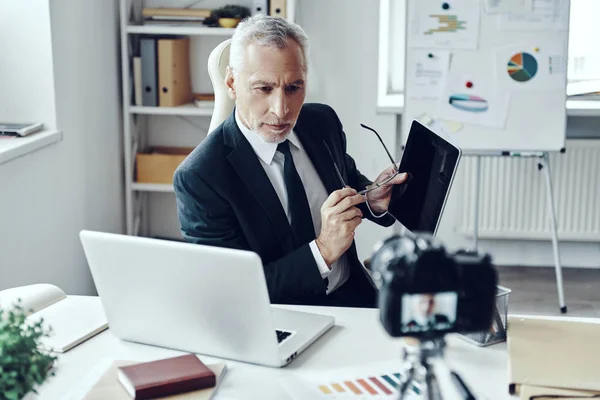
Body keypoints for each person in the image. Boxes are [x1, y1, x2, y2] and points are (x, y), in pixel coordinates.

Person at [173, 15, 408, 307]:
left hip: (358, 297)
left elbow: (346, 179)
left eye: (293, 88)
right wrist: (323, 251)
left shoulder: (321, 122)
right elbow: (234, 292)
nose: (282, 110)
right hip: (283, 318)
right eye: (264, 89)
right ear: (232, 83)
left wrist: (372, 197)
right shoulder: (200, 178)